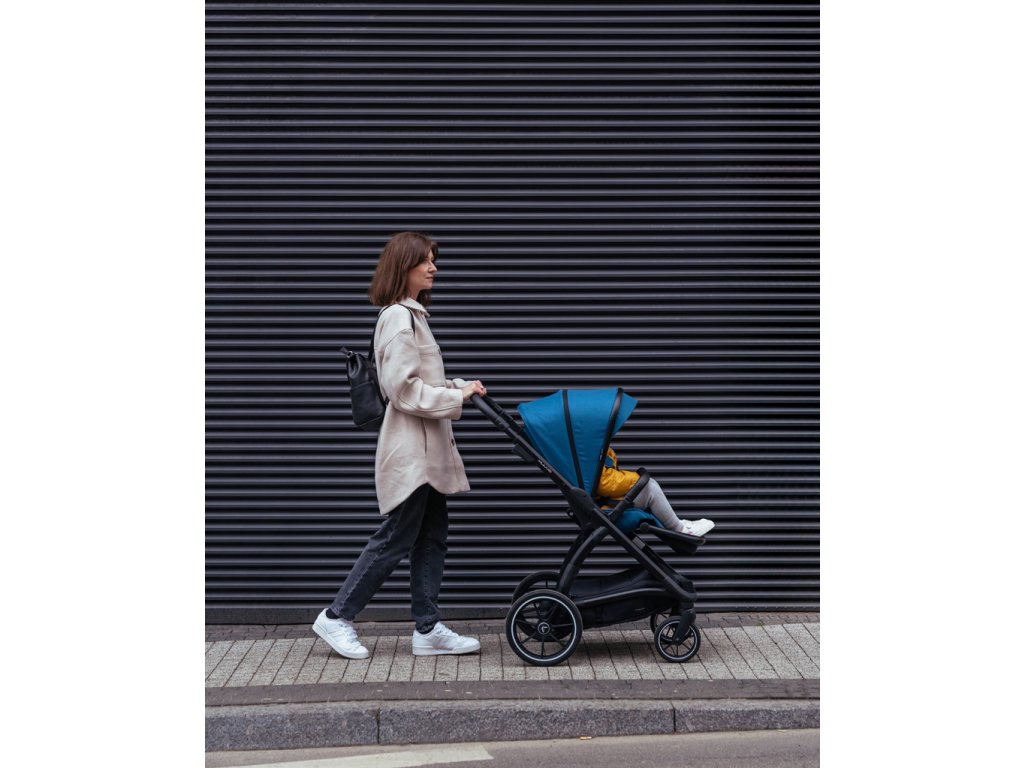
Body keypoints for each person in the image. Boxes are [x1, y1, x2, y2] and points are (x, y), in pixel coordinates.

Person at [313, 232, 487, 660]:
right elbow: (403, 391)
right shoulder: (397, 317)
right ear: (402, 267)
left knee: (431, 537)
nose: (434, 267)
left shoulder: (414, 315)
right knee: (396, 536)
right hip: (412, 450)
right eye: (424, 260)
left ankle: (427, 629)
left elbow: (421, 381)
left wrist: (457, 385)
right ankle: (337, 616)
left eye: (433, 259)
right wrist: (455, 396)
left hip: (428, 450)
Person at [597, 448, 715, 537]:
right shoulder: (591, 450)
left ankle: (678, 524)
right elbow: (605, 483)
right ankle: (680, 529)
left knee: (648, 485)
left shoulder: (591, 449)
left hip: (602, 505)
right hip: (606, 508)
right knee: (649, 488)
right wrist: (636, 478)